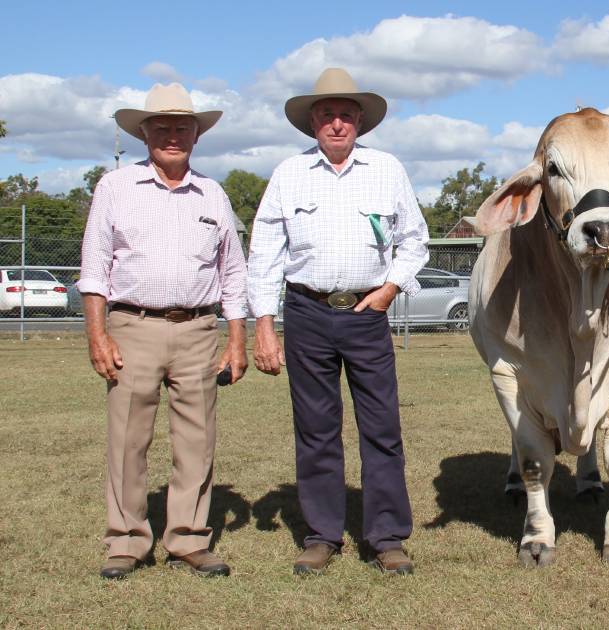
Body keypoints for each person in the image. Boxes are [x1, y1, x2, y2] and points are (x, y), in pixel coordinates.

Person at [246, 68, 429, 576]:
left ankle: (387, 536)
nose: (336, 123)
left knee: (382, 428)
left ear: (360, 121)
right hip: (306, 311)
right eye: (326, 115)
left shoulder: (387, 169)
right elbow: (263, 253)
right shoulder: (288, 174)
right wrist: (264, 324)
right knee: (315, 430)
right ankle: (322, 534)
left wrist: (390, 289)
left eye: (346, 115)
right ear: (311, 122)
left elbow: (415, 239)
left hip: (366, 313)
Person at [78, 83, 247, 579]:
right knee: (127, 438)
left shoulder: (213, 194)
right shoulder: (114, 188)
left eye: (183, 127)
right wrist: (97, 334)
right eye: (163, 127)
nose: (173, 136)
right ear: (144, 133)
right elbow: (94, 268)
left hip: (198, 329)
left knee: (196, 440)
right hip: (132, 325)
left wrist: (234, 339)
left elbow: (232, 273)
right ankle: (127, 541)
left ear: (196, 135)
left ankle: (190, 539)